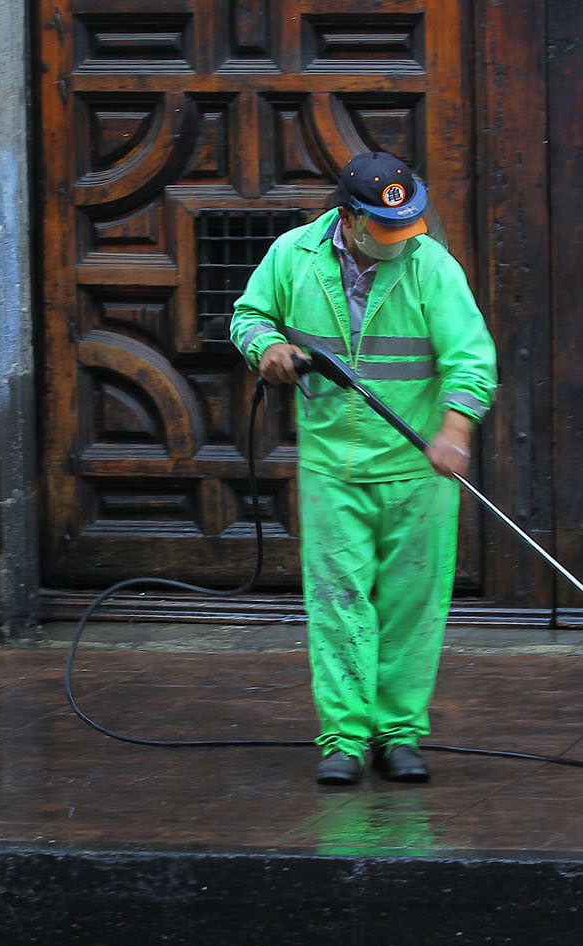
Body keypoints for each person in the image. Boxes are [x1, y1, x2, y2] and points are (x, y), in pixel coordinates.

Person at [231, 151, 498, 785]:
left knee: (412, 605)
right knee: (338, 602)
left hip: (417, 470)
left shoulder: (430, 266)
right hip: (332, 467)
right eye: (383, 226)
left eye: (407, 224)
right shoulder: (293, 257)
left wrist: (455, 432)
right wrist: (267, 349)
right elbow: (248, 316)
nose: (400, 240)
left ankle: (399, 733)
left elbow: (471, 357)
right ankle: (344, 739)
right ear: (347, 218)